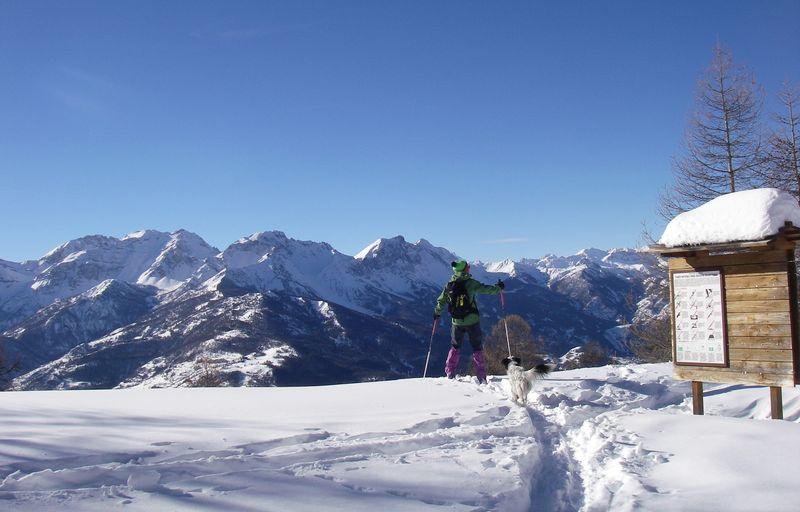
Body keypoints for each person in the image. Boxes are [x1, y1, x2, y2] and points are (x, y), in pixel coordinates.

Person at [434, 260, 504, 384]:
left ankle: (450, 372)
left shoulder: (449, 284)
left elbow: (441, 300)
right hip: (472, 321)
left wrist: (437, 313)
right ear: (465, 269)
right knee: (477, 348)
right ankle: (481, 376)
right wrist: (498, 288)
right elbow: (486, 289)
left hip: (456, 322)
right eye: (468, 267)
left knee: (455, 347)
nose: (469, 268)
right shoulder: (470, 283)